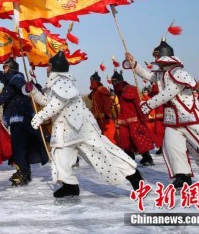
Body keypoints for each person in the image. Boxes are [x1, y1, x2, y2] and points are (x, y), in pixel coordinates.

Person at [27, 51, 142, 199]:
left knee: (105, 154)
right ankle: (70, 187)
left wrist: (39, 117)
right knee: (60, 157)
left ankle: (135, 178)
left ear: (56, 67)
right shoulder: (54, 84)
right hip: (65, 130)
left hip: (81, 128)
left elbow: (57, 103)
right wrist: (34, 91)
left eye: (49, 65)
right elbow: (47, 102)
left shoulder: (63, 81)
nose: (46, 68)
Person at [124, 38, 199, 192]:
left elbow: (169, 92)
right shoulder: (161, 74)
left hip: (190, 116)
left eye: (157, 56)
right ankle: (183, 176)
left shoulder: (179, 73)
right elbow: (147, 75)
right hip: (172, 119)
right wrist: (133, 63)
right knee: (172, 146)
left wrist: (148, 105)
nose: (155, 60)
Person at [0, 53, 49, 186]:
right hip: (17, 119)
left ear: (9, 68)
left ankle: (23, 172)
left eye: (4, 68)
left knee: (18, 147)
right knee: (20, 146)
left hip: (21, 119)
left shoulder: (16, 79)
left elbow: (5, 95)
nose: (3, 70)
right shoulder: (10, 78)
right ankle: (24, 170)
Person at [111, 71, 156, 166]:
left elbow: (138, 105)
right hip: (123, 119)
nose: (113, 84)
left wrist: (143, 118)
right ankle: (129, 158)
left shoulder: (131, 89)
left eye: (115, 82)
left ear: (119, 81)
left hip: (134, 119)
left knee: (138, 139)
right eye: (112, 82)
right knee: (124, 139)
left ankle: (147, 158)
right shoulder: (119, 91)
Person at [88, 71, 117, 144]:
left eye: (92, 81)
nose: (91, 83)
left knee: (110, 139)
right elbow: (92, 102)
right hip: (98, 120)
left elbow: (107, 102)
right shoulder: (94, 92)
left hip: (105, 119)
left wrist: (107, 113)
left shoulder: (102, 89)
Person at [141, 84, 164, 155]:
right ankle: (160, 147)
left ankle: (162, 148)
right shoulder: (150, 96)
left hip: (159, 116)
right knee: (156, 132)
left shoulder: (159, 91)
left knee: (160, 132)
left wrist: (152, 115)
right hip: (152, 117)